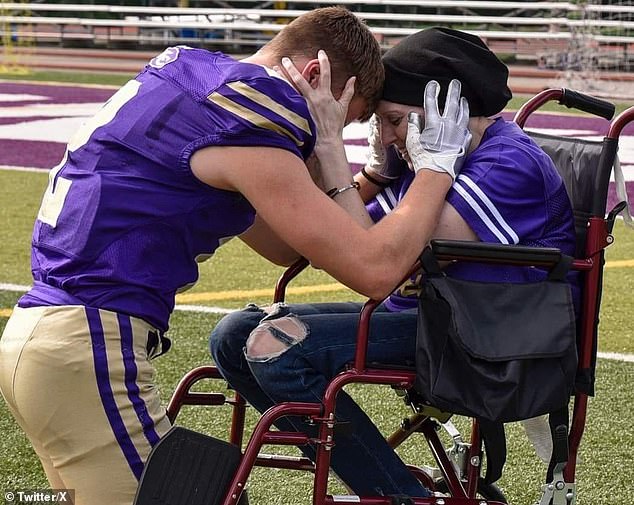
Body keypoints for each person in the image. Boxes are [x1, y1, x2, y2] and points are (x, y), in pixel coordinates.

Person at [0, 9, 474, 505]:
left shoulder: (190, 76)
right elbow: (374, 271)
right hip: (87, 344)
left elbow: (284, 245)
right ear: (314, 75)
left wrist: (363, 171)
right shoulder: (257, 109)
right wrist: (434, 171)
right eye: (340, 114)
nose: (325, 129)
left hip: (45, 340)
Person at [210, 27, 580, 499]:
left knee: (276, 348)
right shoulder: (435, 159)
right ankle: (379, 478)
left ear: (452, 112)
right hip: (437, 317)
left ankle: (399, 494)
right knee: (233, 335)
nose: (385, 137)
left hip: (491, 333)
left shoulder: (507, 162)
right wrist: (372, 173)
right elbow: (339, 237)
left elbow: (374, 258)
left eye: (395, 120)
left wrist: (330, 149)